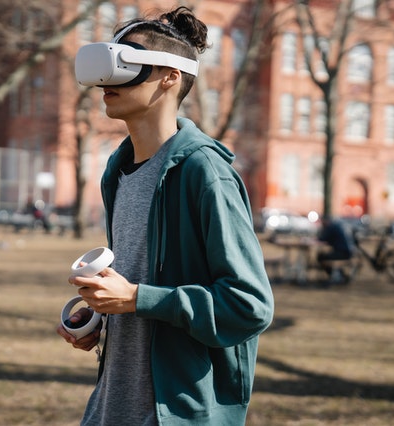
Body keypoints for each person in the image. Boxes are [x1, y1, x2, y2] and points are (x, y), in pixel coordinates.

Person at [56, 7, 274, 426]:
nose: (108, 79)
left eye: (129, 60)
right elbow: (142, 281)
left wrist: (137, 299)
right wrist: (100, 315)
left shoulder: (204, 173)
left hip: (174, 414)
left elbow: (250, 306)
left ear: (170, 77)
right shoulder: (117, 173)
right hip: (110, 408)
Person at [316, 216, 355, 284]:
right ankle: (340, 275)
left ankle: (337, 276)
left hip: (343, 253)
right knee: (325, 256)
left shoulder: (331, 227)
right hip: (347, 251)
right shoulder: (336, 226)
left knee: (321, 257)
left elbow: (323, 238)